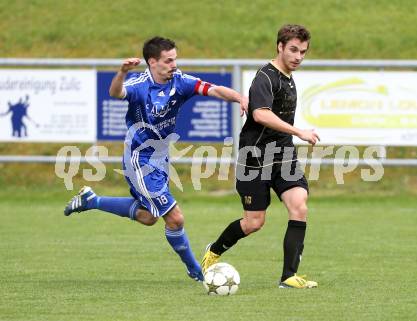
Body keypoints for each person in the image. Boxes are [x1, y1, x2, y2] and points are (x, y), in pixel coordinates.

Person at [64, 36, 247, 282]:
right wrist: (121, 72)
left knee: (149, 216)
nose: (174, 65)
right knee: (175, 217)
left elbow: (212, 89)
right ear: (152, 62)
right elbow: (116, 93)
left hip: (161, 157)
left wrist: (240, 98)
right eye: (168, 61)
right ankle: (196, 271)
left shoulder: (180, 81)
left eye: (175, 59)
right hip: (140, 160)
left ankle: (92, 200)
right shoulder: (139, 85)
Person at [201, 24, 320, 289]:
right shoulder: (265, 77)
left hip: (283, 155)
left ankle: (288, 276)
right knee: (254, 222)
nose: (298, 56)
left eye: (302, 51)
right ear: (279, 46)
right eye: (293, 50)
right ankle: (214, 250)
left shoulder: (288, 77)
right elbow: (260, 114)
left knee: (299, 205)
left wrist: (291, 138)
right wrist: (298, 130)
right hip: (254, 158)